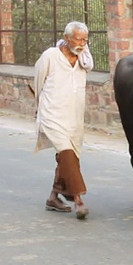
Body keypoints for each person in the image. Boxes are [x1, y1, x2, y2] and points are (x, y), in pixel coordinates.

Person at [34, 21, 93, 220]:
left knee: (69, 157)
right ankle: (78, 200)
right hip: (52, 115)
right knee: (67, 154)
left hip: (74, 117)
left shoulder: (84, 59)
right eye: (78, 39)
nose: (82, 43)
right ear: (67, 38)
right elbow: (38, 83)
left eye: (85, 39)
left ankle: (53, 197)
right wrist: (39, 111)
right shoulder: (50, 56)